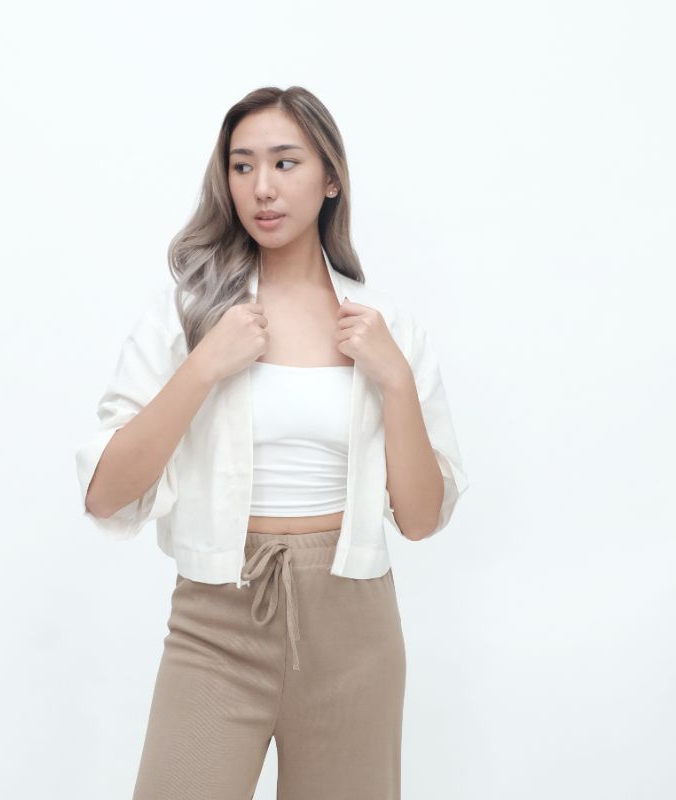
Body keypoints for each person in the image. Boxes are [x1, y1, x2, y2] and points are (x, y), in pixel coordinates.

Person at [74, 85, 469, 800]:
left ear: (331, 178)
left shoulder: (384, 326)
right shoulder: (188, 318)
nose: (262, 187)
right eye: (242, 165)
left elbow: (418, 519)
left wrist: (396, 381)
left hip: (355, 626)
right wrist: (204, 366)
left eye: (286, 163)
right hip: (215, 622)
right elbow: (105, 494)